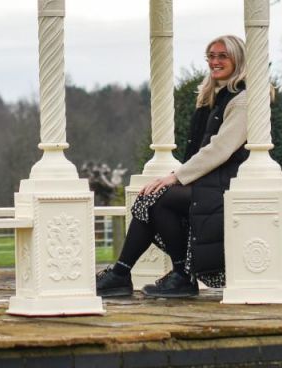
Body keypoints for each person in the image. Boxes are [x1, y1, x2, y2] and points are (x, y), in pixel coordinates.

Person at [95, 34, 248, 299]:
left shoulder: (243, 99)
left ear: (238, 58)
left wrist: (176, 177)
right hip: (208, 182)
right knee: (151, 197)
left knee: (158, 197)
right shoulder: (215, 96)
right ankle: (127, 274)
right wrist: (177, 177)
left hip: (227, 184)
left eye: (222, 56)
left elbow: (221, 149)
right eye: (211, 56)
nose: (215, 61)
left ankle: (167, 275)